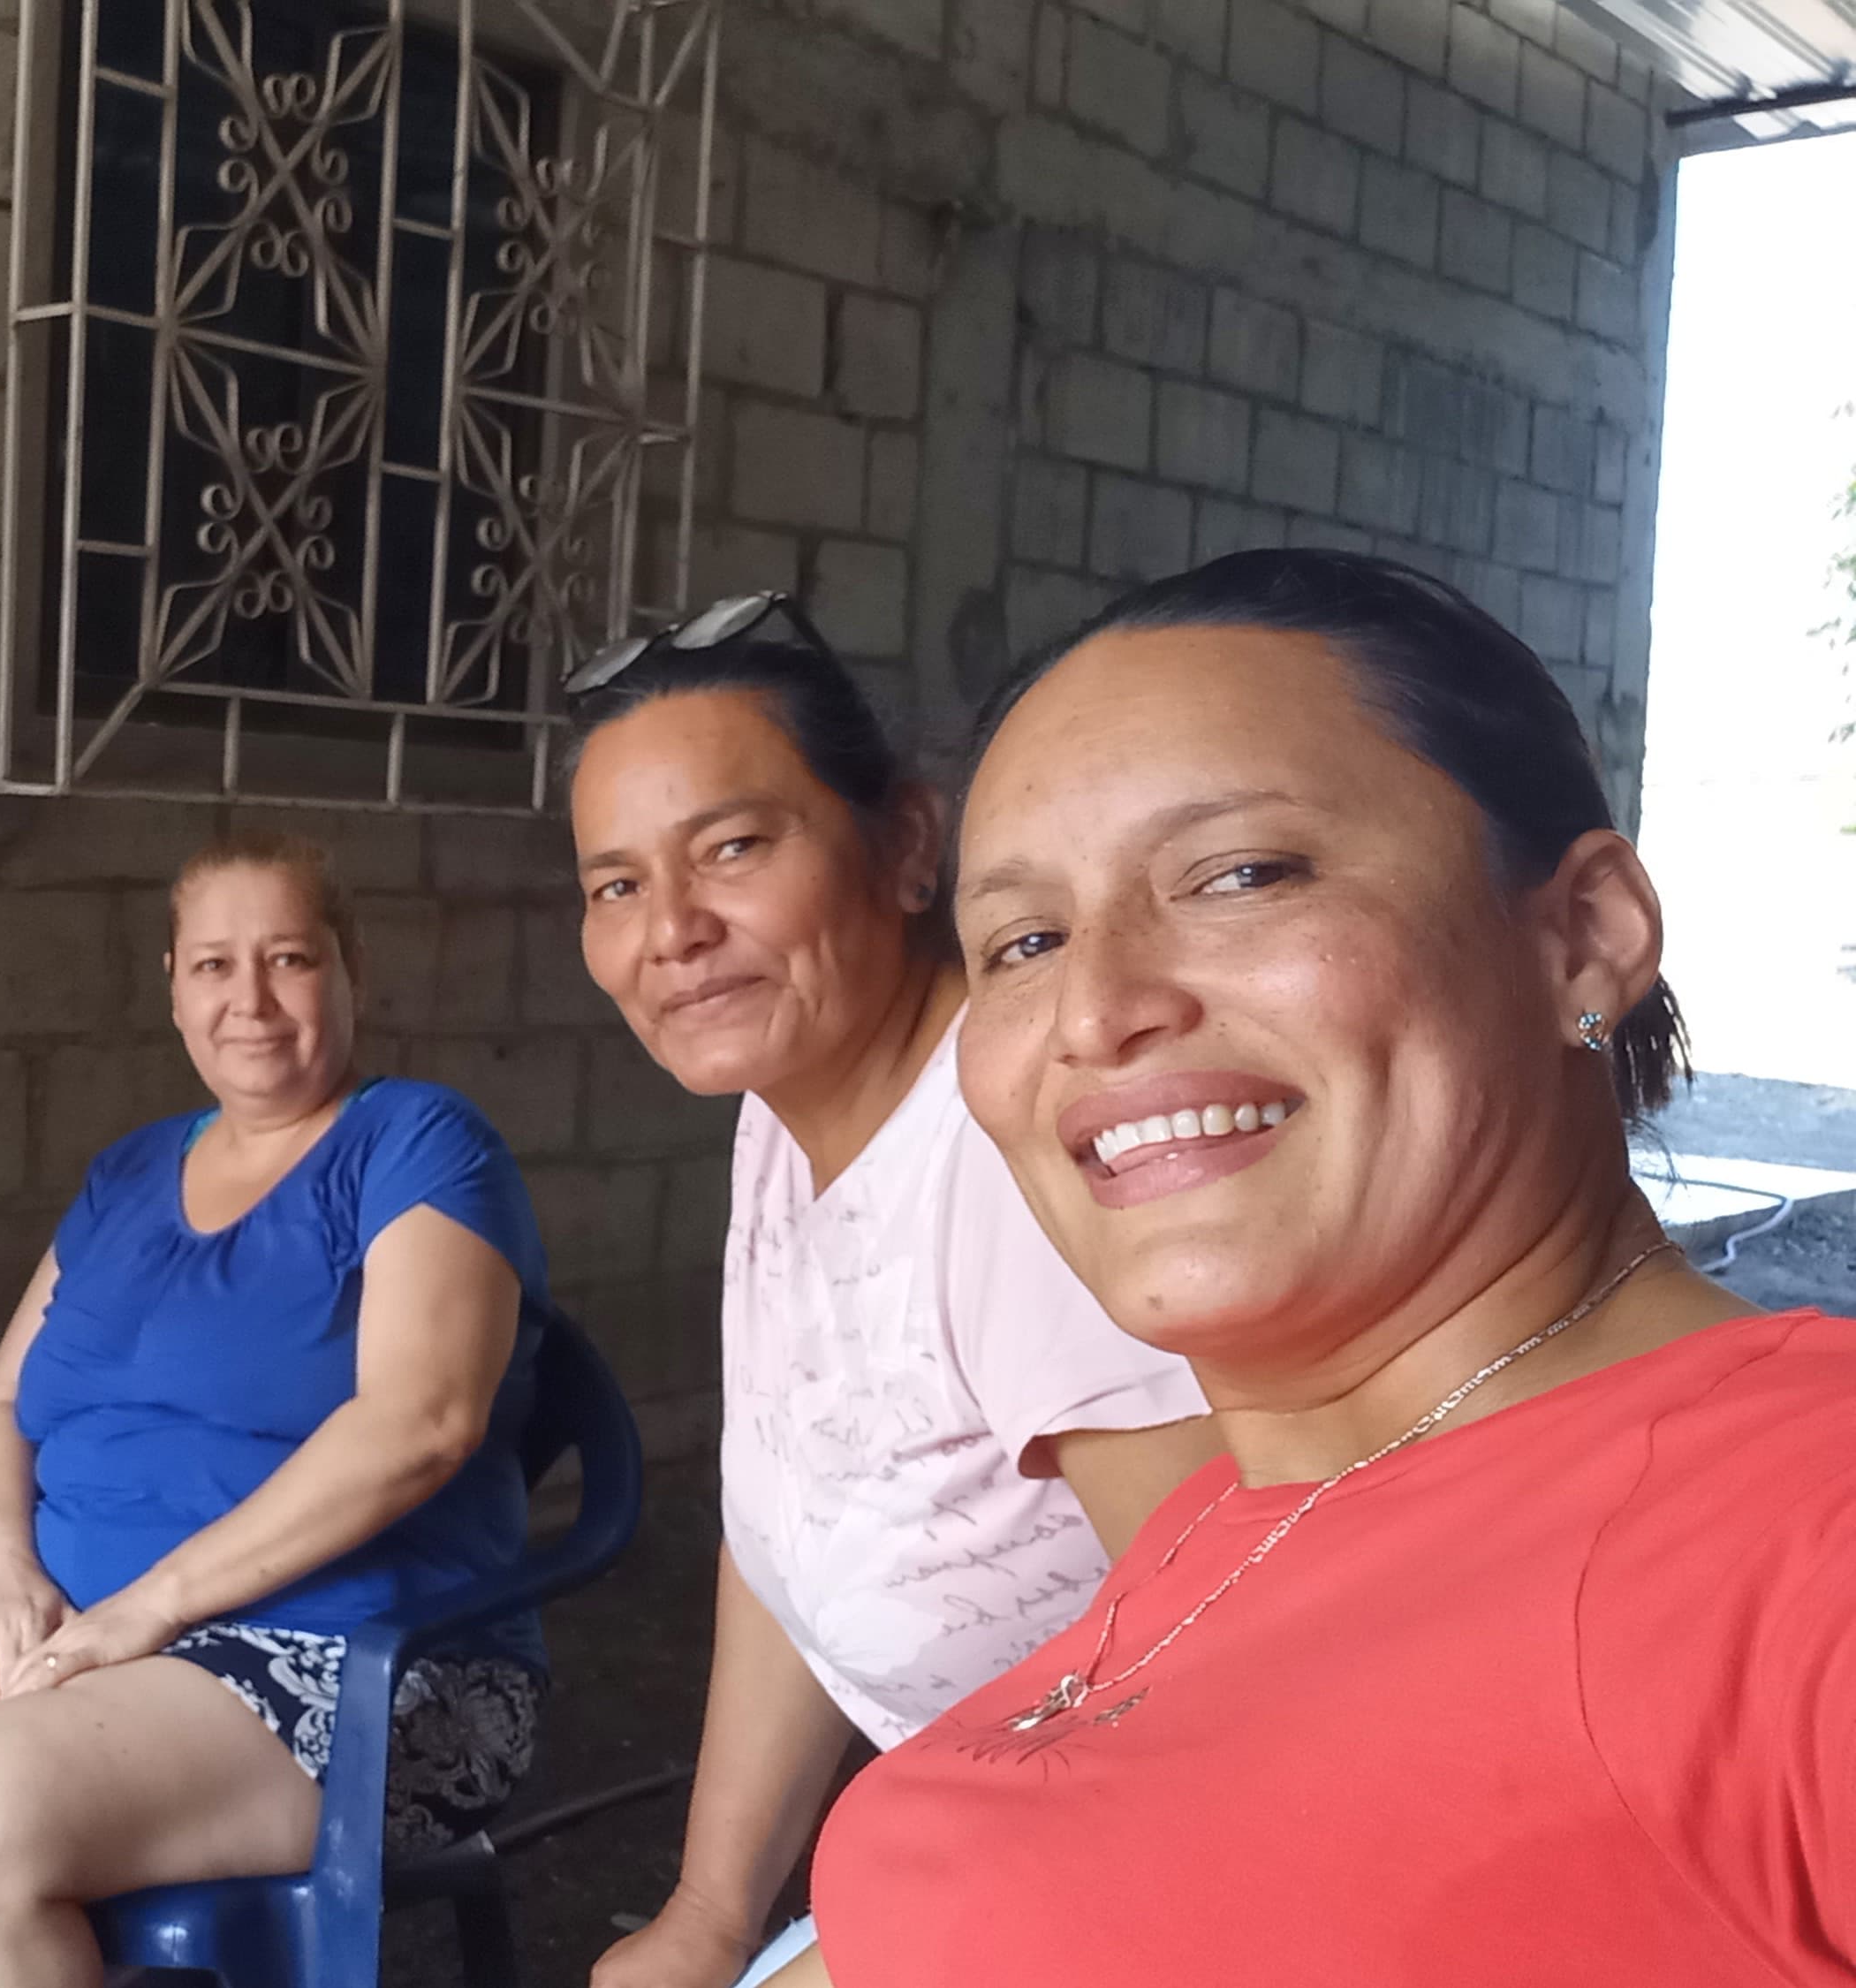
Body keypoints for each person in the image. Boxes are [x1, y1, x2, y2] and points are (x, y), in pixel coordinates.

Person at [785, 550, 1855, 1984]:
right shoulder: (1231, 1516)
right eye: (1024, 941)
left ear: (1586, 937)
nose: (1096, 1009)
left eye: (1240, 874)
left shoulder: (1796, 1524)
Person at [0, 833, 554, 1988]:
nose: (250, 999)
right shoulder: (125, 1176)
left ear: (350, 968)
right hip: (78, 1624)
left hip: (348, 1653)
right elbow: (5, 1400)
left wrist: (149, 1608)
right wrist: (2, 1566)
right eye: (214, 965)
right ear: (173, 986)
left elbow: (420, 1422)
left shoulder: (416, 1142)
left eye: (289, 958)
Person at [565, 596, 1220, 1988]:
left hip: (1132, 1892)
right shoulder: (783, 1107)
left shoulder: (1006, 1158)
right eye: (616, 884)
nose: (672, 929)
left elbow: (1231, 1680)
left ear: (909, 847)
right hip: (969, 1844)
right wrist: (707, 1914)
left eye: (734, 847)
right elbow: (790, 1518)